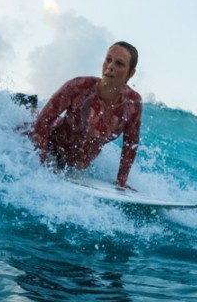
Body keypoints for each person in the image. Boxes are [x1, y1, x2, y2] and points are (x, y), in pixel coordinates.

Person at [31, 41, 142, 190]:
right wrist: (43, 163)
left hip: (74, 167)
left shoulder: (132, 103)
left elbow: (130, 144)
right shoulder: (78, 87)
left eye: (119, 64)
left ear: (131, 73)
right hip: (50, 148)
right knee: (29, 120)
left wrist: (121, 182)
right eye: (108, 60)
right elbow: (42, 122)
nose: (110, 66)